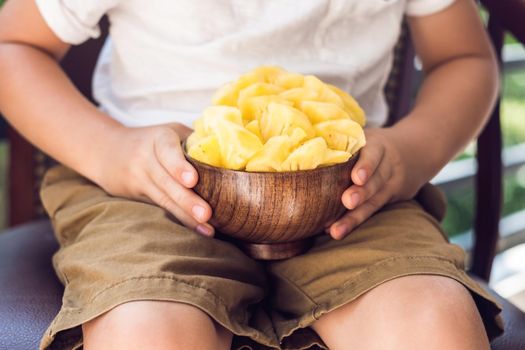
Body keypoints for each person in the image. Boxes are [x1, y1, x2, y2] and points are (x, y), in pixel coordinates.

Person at [0, 0, 504, 349]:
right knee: (147, 327)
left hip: (350, 196)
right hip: (148, 192)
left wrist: (412, 151)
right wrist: (110, 152)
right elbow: (14, 47)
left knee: (432, 320)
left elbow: (463, 57)